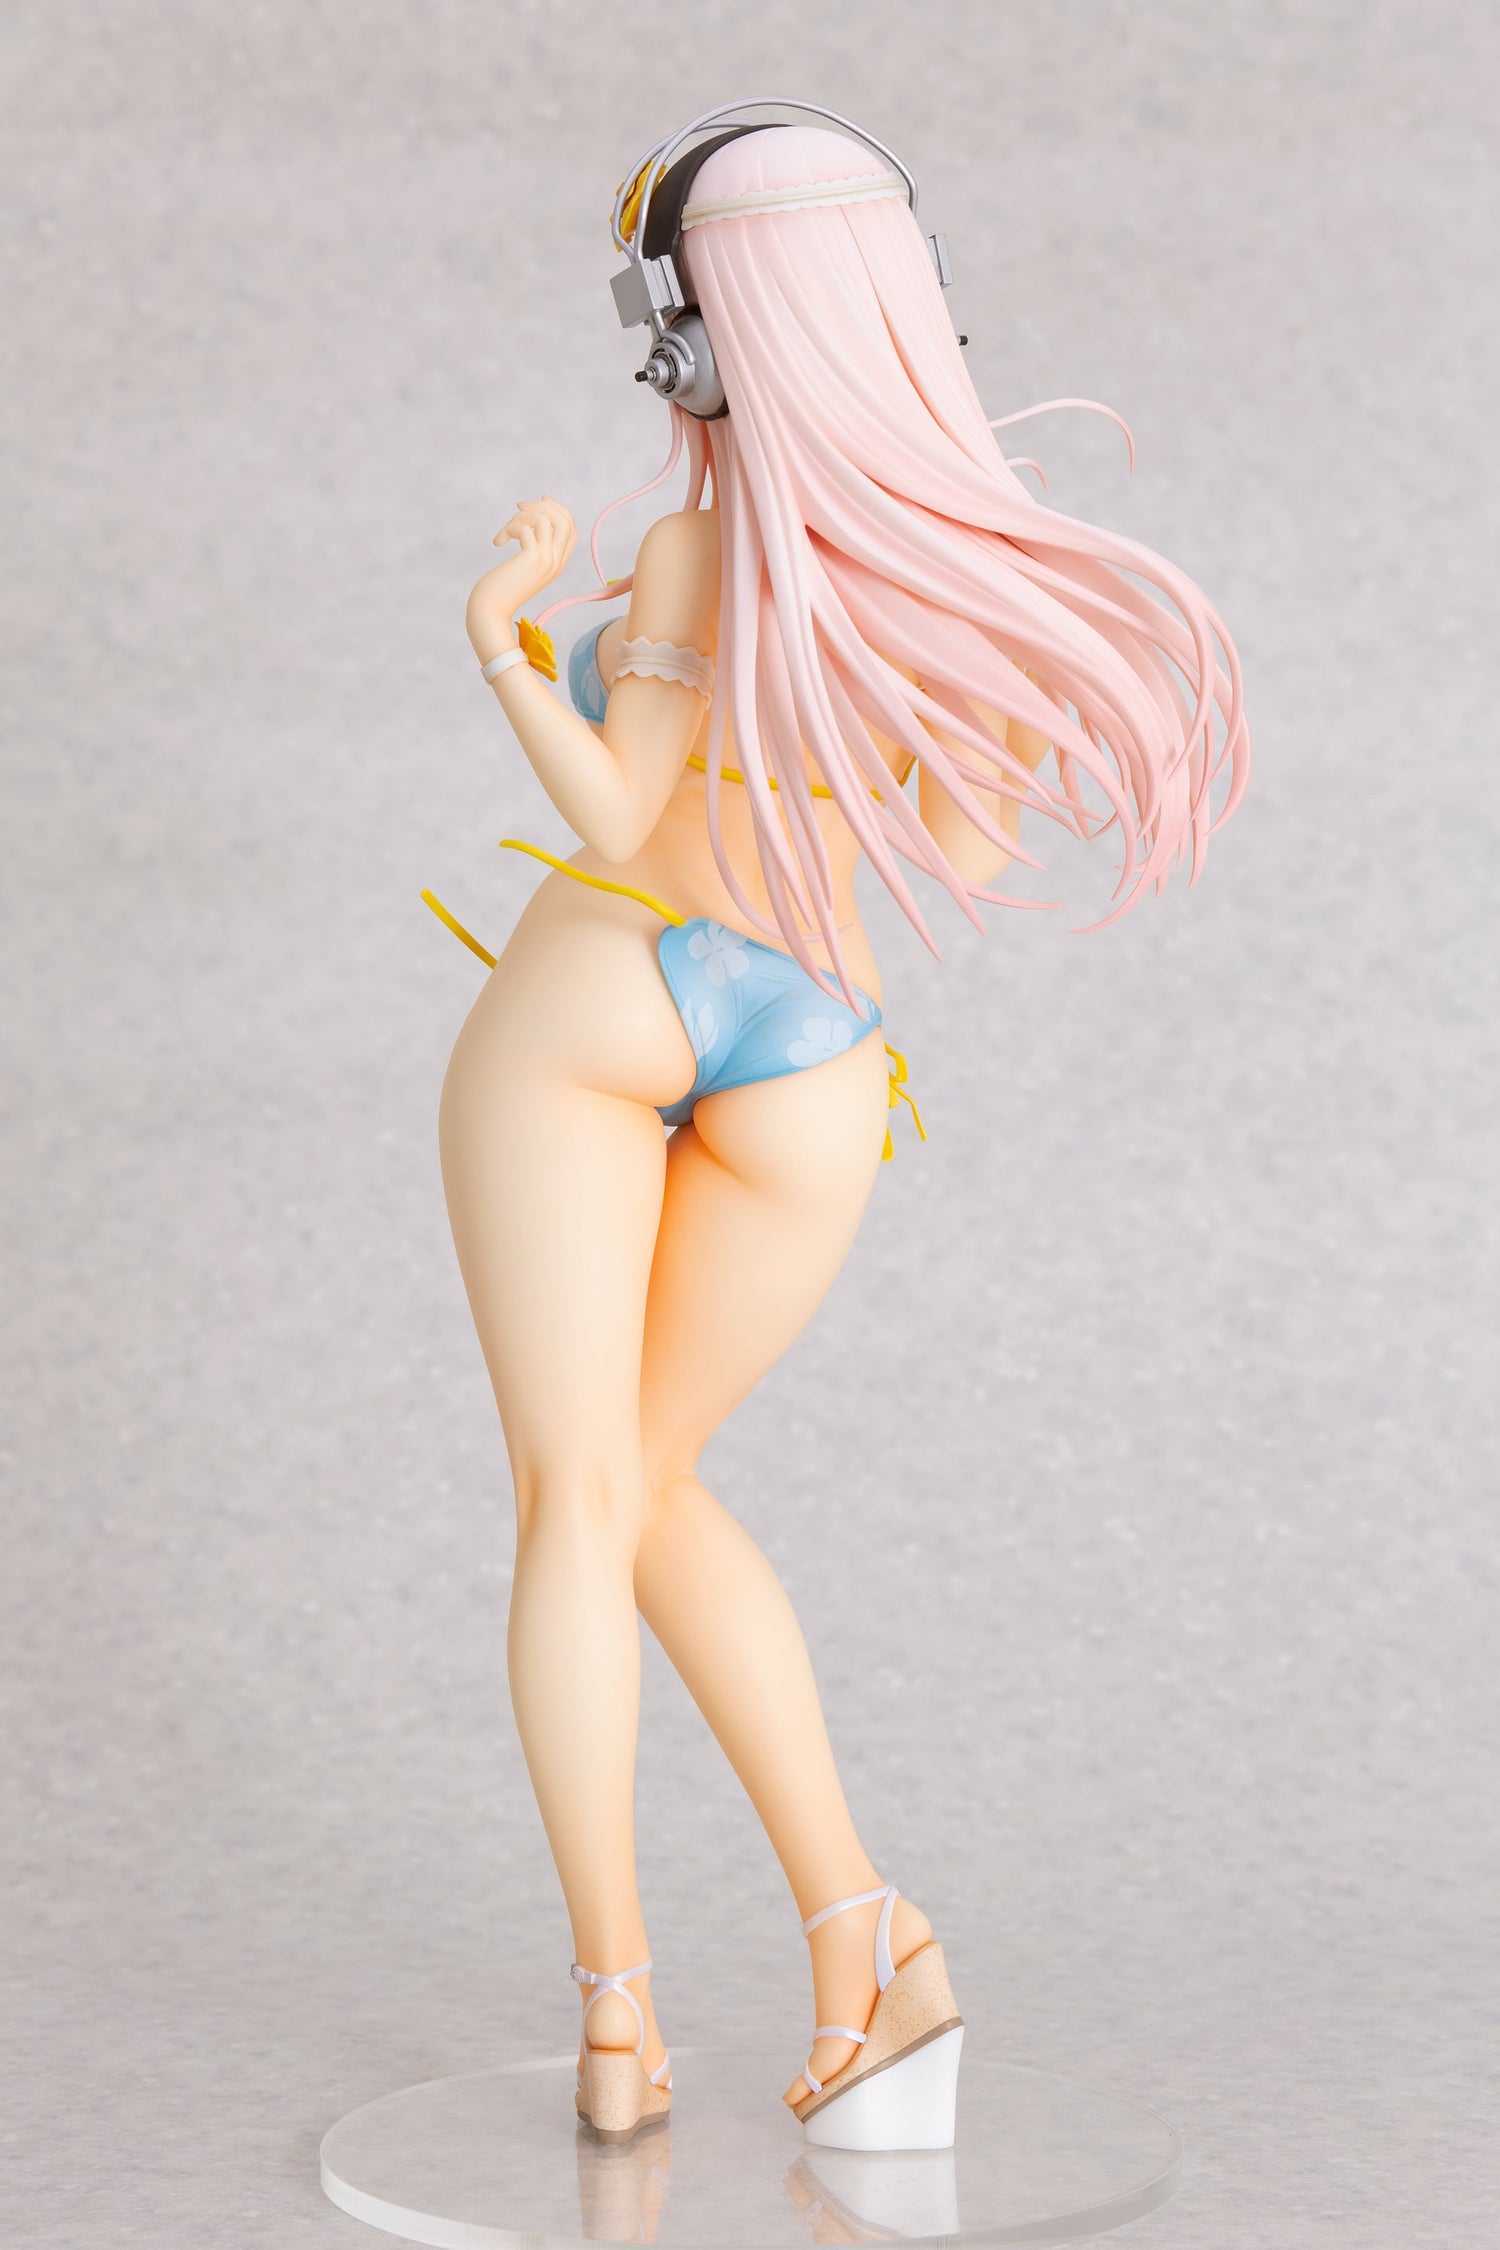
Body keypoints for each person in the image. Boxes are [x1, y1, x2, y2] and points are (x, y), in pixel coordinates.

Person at [434, 119, 1248, 2150]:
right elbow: (955, 848)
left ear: (706, 339)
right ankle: (868, 1934)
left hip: (607, 991)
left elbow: (619, 819)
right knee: (659, 1483)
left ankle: (619, 2022)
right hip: (815, 1050)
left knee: (579, 1497)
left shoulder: (693, 554)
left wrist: (505, 639)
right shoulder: (983, 588)